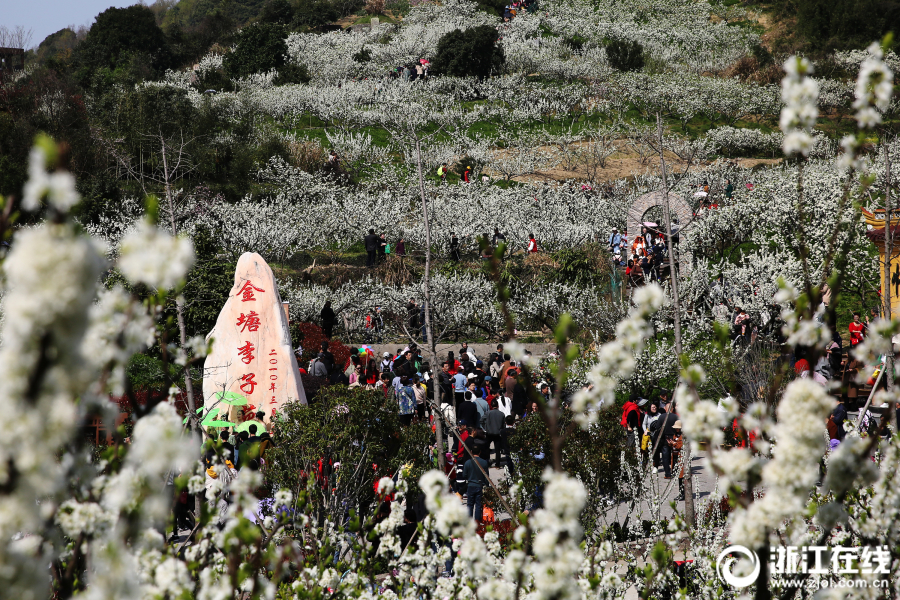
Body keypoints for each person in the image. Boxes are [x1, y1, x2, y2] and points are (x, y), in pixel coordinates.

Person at [463, 445, 490, 521]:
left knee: (470, 505)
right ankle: (477, 522)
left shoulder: (467, 463)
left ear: (471, 452)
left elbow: (464, 475)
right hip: (480, 486)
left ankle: (469, 522)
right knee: (478, 505)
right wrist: (487, 487)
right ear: (480, 452)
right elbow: (486, 477)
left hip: (471, 486)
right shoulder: (484, 462)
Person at [484, 400, 507, 466]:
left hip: (489, 433)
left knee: (487, 448)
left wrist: (485, 428)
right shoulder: (502, 414)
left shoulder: (488, 413)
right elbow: (503, 425)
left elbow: (481, 420)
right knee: (497, 450)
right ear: (498, 406)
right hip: (498, 433)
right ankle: (497, 464)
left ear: (491, 406)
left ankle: (488, 462)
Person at [668, 421, 686, 500]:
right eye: (675, 428)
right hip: (675, 457)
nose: (676, 429)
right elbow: (674, 445)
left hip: (681, 458)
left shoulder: (683, 436)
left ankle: (683, 494)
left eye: (677, 428)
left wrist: (674, 443)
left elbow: (681, 446)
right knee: (678, 477)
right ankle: (680, 493)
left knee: (681, 477)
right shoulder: (675, 435)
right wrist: (670, 443)